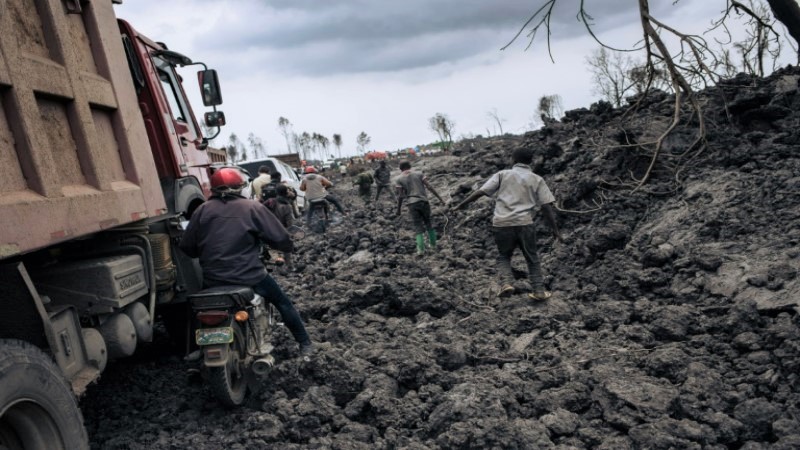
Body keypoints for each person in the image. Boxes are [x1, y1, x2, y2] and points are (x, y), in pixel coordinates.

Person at [179, 168, 313, 355]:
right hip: (250, 275)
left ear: (213, 189)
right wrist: (287, 246)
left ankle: (196, 349)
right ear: (240, 187)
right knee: (283, 302)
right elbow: (280, 238)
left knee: (200, 308)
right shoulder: (252, 207)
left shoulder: (201, 211)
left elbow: (187, 247)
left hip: (213, 279)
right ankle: (305, 343)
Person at [453, 147, 562, 300]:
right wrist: (555, 230)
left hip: (501, 223)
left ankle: (507, 283)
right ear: (530, 162)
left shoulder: (502, 175)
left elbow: (481, 192)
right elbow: (546, 207)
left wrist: (461, 205)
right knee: (532, 258)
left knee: (504, 256)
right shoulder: (537, 179)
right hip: (525, 223)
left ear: (513, 160)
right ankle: (538, 291)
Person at [395, 160, 445, 255]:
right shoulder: (419, 173)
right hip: (424, 201)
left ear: (400, 168)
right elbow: (429, 186)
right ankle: (433, 245)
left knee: (418, 226)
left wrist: (398, 210)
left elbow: (400, 196)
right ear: (410, 165)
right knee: (428, 223)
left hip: (412, 204)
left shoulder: (399, 179)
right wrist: (440, 199)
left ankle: (421, 250)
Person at [264, 184, 295, 272]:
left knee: (273, 248)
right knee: (287, 249)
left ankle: (277, 262)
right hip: (282, 230)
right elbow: (290, 223)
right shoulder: (287, 206)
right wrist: (291, 234)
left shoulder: (270, 201)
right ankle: (289, 266)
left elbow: (260, 210)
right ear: (285, 193)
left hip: (269, 229)